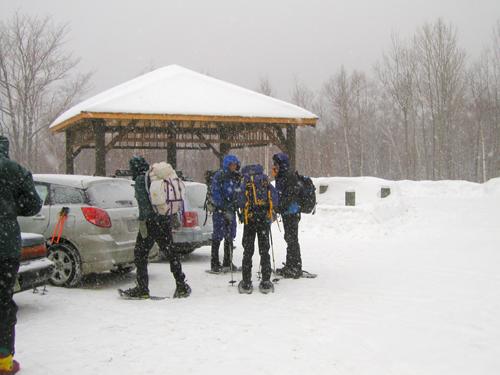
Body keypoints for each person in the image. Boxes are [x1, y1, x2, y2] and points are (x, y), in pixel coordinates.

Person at [0, 135, 42, 374]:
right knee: (3, 302)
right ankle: (3, 361)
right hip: (4, 247)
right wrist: (10, 207)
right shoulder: (14, 170)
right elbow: (33, 205)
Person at [120, 156, 191, 299]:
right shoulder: (155, 178)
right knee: (171, 252)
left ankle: (142, 289)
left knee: (140, 254)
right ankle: (181, 284)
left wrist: (143, 223)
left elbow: (144, 206)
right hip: (164, 220)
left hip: (150, 223)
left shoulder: (141, 181)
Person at [237, 164, 278, 294]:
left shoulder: (246, 182)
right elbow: (275, 198)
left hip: (250, 220)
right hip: (264, 221)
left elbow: (239, 200)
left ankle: (246, 282)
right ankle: (266, 281)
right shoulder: (265, 180)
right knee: (264, 251)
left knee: (248, 251)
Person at [272, 153, 303, 279]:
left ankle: (295, 267)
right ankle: (291, 265)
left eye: (276, 163)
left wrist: (279, 207)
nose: (274, 166)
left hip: (291, 212)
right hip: (287, 212)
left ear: (282, 164)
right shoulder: (281, 176)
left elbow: (289, 196)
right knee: (289, 238)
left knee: (292, 239)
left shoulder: (289, 176)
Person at [210, 155, 241, 273]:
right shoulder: (220, 176)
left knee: (230, 235)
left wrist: (235, 204)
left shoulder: (235, 177)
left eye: (235, 164)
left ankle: (228, 261)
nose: (235, 167)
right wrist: (223, 207)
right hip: (220, 211)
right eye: (233, 164)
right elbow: (216, 193)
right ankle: (214, 263)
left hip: (231, 211)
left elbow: (237, 192)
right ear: (228, 164)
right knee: (218, 235)